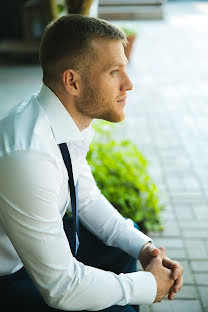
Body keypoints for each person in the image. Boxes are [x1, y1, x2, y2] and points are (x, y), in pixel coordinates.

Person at [0, 14, 183, 312]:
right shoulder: (28, 155)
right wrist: (148, 286)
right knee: (120, 308)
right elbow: (62, 288)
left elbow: (86, 198)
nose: (129, 84)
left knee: (122, 245)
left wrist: (144, 248)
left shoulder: (64, 122)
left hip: (32, 254)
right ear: (72, 81)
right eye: (114, 71)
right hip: (8, 278)